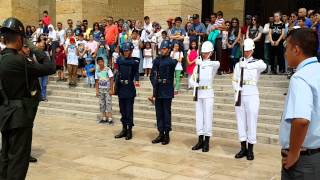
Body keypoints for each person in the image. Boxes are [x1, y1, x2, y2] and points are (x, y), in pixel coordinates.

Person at [0, 17, 55, 179]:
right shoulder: (19, 61)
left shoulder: (2, 59)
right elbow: (50, 67)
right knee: (18, 160)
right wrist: (36, 49)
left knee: (5, 156)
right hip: (20, 116)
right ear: (19, 38)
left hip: (4, 113)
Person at [279, 28, 320, 180]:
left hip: (302, 161)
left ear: (296, 50)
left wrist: (294, 153)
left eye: (287, 48)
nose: (285, 53)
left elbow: (301, 120)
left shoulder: (300, 78)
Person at [233, 38, 267, 161]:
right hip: (240, 94)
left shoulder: (257, 62)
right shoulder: (238, 64)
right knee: (240, 121)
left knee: (251, 121)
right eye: (245, 51)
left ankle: (251, 149)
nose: (246, 53)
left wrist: (247, 65)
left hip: (252, 94)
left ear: (252, 50)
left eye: (248, 51)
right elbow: (234, 79)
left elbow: (264, 66)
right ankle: (243, 148)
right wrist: (236, 89)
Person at [189, 41, 220, 152]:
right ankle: (200, 140)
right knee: (199, 117)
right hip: (198, 93)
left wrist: (201, 63)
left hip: (208, 94)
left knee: (207, 117)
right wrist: (194, 84)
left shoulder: (212, 65)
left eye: (207, 53)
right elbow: (191, 79)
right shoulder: (197, 66)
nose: (204, 55)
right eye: (203, 53)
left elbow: (217, 64)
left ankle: (207, 141)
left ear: (211, 53)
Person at [150, 40, 177, 145]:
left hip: (167, 89)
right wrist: (155, 83)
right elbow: (152, 75)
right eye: (161, 48)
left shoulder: (171, 61)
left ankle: (166, 134)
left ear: (169, 49)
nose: (162, 50)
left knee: (166, 112)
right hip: (158, 89)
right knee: (159, 113)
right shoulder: (157, 60)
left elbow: (171, 63)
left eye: (165, 48)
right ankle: (160, 133)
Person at [114, 42, 140, 140]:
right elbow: (118, 65)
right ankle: (124, 129)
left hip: (129, 87)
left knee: (129, 111)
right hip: (121, 87)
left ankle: (129, 130)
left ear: (131, 51)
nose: (125, 52)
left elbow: (134, 66)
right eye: (124, 51)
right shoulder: (120, 59)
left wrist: (122, 60)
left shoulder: (134, 61)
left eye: (127, 51)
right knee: (122, 110)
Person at [95, 57, 114, 124]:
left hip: (107, 89)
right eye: (99, 62)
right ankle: (104, 117)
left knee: (108, 103)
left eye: (101, 61)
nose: (100, 63)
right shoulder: (97, 70)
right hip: (101, 89)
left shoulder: (107, 69)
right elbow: (97, 81)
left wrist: (112, 89)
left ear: (103, 62)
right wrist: (97, 91)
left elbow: (111, 79)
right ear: (97, 63)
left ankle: (110, 118)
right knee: (102, 103)